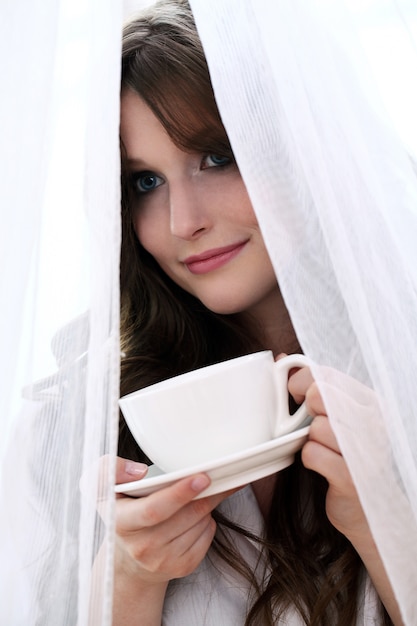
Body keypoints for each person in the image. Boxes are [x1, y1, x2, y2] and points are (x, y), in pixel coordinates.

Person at [113, 1, 403, 624]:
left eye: (218, 156)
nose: (182, 221)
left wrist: (389, 526)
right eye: (145, 182)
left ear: (304, 151)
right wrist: (128, 580)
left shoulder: (402, 380)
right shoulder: (91, 434)